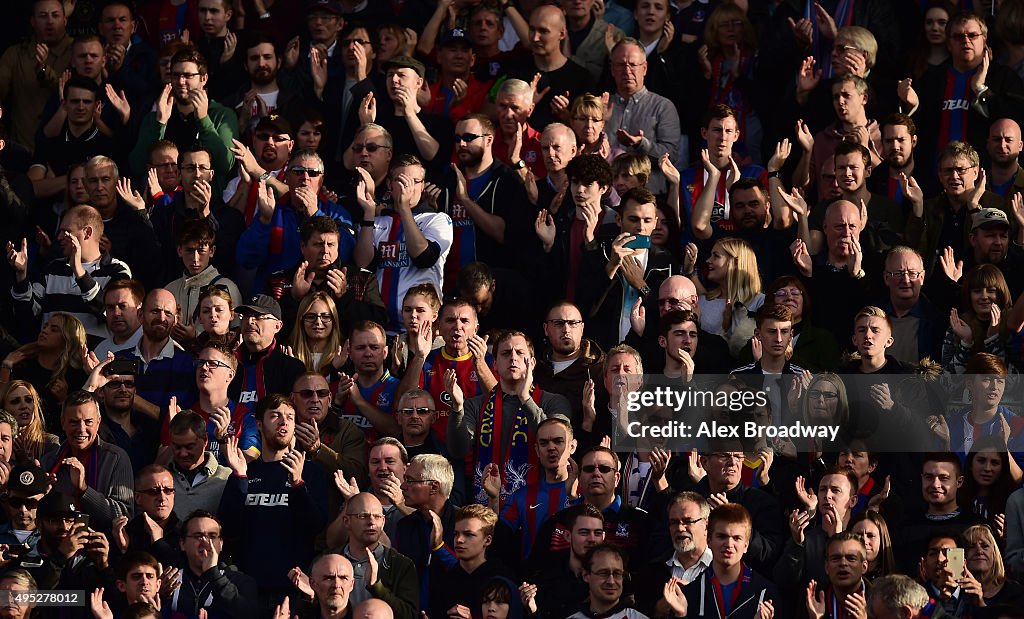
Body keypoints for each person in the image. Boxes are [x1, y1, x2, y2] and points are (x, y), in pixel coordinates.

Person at [218, 393, 328, 611]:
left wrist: (297, 484)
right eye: (275, 416)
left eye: (290, 416)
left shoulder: (311, 471)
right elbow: (228, 527)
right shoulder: (244, 471)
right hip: (248, 589)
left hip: (294, 588)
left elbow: (316, 526)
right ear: (259, 424)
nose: (284, 421)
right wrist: (239, 477)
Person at [448, 330, 571, 504]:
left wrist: (525, 399)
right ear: (495, 365)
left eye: (520, 353)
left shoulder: (554, 402)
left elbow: (557, 442)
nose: (513, 358)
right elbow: (458, 450)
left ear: (533, 362)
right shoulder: (475, 405)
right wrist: (457, 408)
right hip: (486, 504)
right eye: (506, 353)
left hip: (537, 503)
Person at [352, 154, 454, 334]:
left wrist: (404, 208)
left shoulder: (437, 219)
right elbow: (362, 264)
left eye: (415, 181)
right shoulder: (378, 221)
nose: (409, 188)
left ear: (423, 186)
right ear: (390, 184)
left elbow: (423, 258)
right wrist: (369, 214)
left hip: (420, 329)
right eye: (402, 181)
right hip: (378, 329)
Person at [8, 205, 131, 342]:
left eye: (66, 232)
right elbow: (26, 316)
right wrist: (21, 276)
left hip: (92, 360)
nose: (59, 237)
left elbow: (112, 314)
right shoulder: (53, 268)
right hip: (53, 359)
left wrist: (80, 272)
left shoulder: (117, 270)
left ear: (87, 233)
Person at [236, 149, 355, 291]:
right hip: (276, 296)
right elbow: (246, 259)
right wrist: (264, 220)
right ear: (286, 177)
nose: (305, 178)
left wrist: (315, 216)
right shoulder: (272, 210)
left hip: (320, 298)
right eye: (298, 171)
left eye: (313, 173)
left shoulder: (337, 213)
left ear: (321, 180)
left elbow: (346, 254)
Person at [577, 187, 674, 351]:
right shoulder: (600, 254)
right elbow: (585, 306)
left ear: (656, 222)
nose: (641, 227)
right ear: (618, 220)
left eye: (647, 220)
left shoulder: (665, 261)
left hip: (646, 352)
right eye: (634, 219)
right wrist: (611, 266)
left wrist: (641, 285)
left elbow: (668, 316)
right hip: (602, 351)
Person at [129, 45, 240, 188]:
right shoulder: (156, 117)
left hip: (207, 201)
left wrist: (203, 120)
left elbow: (225, 165)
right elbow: (137, 166)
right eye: (175, 75)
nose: (181, 81)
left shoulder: (222, 115)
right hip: (164, 201)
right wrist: (160, 124)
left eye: (188, 75)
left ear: (204, 78)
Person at [397, 298, 495, 443]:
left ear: (476, 329)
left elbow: (501, 404)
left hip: (479, 445)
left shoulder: (490, 361)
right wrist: (419, 357)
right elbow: (402, 401)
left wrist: (480, 364)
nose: (457, 326)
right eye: (450, 320)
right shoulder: (427, 360)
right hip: (436, 448)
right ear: (439, 327)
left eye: (464, 321)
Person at [39, 390, 134, 531]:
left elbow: (125, 516)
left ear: (98, 422)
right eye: (74, 422)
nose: (81, 429)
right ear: (63, 423)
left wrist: (84, 490)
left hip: (102, 547)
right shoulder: (49, 462)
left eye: (88, 422)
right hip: (58, 546)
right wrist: (41, 495)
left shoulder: (116, 458)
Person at [605, 38, 679, 195]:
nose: (627, 70)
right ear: (611, 69)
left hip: (650, 199)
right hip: (606, 199)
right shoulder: (601, 106)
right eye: (620, 65)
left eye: (633, 65)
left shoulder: (663, 107)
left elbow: (672, 155)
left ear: (644, 68)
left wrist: (641, 145)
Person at [679, 503, 779, 619]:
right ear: (709, 540)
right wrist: (681, 615)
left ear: (746, 545)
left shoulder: (766, 595)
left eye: (737, 538)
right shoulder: (689, 594)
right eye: (722, 536)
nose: (729, 544)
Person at [0, 0, 73, 151]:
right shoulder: (15, 54)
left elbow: (70, 93)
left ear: (65, 20)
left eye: (55, 15)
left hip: (67, 148)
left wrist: (43, 70)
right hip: (23, 147)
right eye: (43, 16)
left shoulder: (78, 52)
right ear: (33, 21)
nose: (50, 21)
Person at [338, 492, 419, 619]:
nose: (371, 522)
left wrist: (376, 586)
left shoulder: (401, 565)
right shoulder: (328, 562)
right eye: (363, 516)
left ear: (383, 522)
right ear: (346, 521)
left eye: (377, 516)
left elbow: (410, 615)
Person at [534, 301, 605, 442]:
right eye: (559, 323)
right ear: (546, 329)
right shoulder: (534, 369)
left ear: (582, 328)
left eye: (573, 323)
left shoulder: (600, 369)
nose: (566, 329)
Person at [0, 313, 88, 425]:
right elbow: (2, 402)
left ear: (67, 339)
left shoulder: (74, 375)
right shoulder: (21, 362)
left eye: (54, 329)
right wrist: (6, 366)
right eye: (45, 326)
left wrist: (63, 400)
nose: (45, 331)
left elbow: (75, 420)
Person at [171, 509, 259, 619]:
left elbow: (248, 615)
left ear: (221, 544)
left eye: (212, 536)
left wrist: (213, 574)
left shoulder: (241, 582)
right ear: (182, 543)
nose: (206, 542)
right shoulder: (170, 580)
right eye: (198, 536)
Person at [429, 505, 513, 619]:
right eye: (456, 534)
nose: (459, 540)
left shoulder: (501, 580)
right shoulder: (445, 579)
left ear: (487, 540)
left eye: (468, 534)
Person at [230, 294, 306, 406]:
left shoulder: (291, 369)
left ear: (277, 326)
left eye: (258, 316)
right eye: (245, 316)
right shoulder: (229, 365)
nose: (250, 321)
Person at [334, 320, 400, 438]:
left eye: (374, 347)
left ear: (385, 352)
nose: (368, 353)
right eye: (360, 348)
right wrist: (336, 404)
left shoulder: (398, 388)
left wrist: (359, 401)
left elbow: (399, 432)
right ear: (349, 352)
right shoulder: (336, 388)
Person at [111, 465, 182, 567]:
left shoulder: (186, 533)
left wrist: (159, 543)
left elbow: (185, 574)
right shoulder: (126, 533)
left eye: (168, 490)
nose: (162, 497)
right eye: (154, 491)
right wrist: (124, 550)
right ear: (138, 498)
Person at [165, 410, 231, 518]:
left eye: (189, 447)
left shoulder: (226, 478)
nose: (183, 454)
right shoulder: (162, 479)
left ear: (205, 440)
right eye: (177, 447)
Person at [963, 523, 1024, 609]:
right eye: (971, 546)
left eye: (985, 546)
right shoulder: (957, 593)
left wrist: (981, 605)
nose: (979, 551)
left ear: (994, 553)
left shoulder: (1016, 593)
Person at [0, 381, 59, 463]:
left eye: (28, 400)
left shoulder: (49, 443)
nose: (24, 406)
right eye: (15, 401)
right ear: (3, 408)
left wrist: (25, 461)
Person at [288, 291, 345, 374]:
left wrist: (334, 369)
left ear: (334, 320)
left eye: (325, 316)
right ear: (301, 321)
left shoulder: (344, 357)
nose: (318, 322)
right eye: (311, 317)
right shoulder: (288, 355)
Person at [94, 280, 144, 359]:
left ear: (139, 309)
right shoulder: (100, 351)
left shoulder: (155, 345)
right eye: (110, 307)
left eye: (123, 306)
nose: (116, 313)